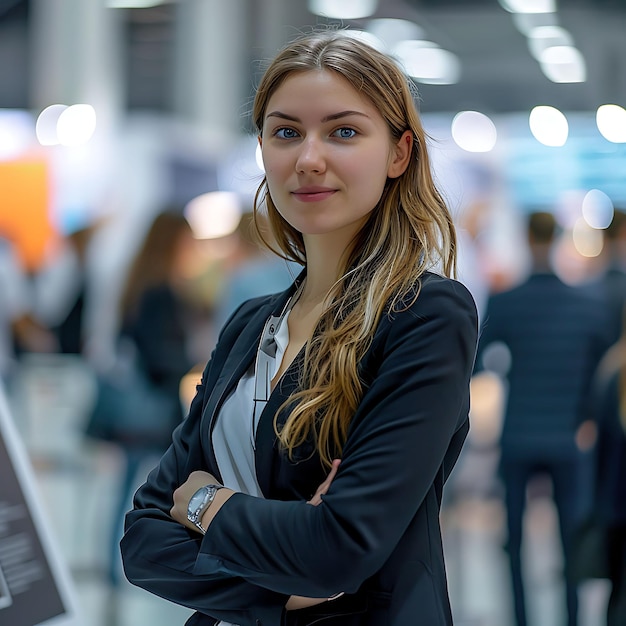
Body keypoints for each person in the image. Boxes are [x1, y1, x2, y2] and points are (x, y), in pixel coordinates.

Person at [120, 30, 478, 626]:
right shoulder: (250, 323)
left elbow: (337, 549)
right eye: (286, 132)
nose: (308, 158)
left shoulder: (424, 315)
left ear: (399, 153)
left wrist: (207, 503)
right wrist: (280, 587)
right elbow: (142, 541)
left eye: (343, 131)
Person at [474, 211, 610, 626]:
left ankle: (521, 618)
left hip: (518, 436)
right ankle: (570, 619)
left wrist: (508, 370)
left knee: (513, 544)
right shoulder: (587, 306)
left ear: (523, 236)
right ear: (557, 238)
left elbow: (478, 362)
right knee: (568, 539)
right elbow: (601, 375)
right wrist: (585, 412)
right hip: (568, 439)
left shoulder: (507, 302)